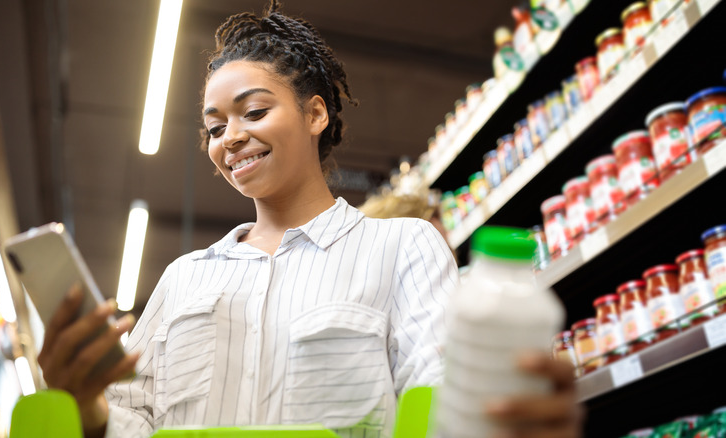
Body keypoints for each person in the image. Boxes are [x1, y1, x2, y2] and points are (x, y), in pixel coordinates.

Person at [37, 2, 582, 437]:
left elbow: (438, 394)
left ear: (315, 113)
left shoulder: (401, 247)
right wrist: (85, 403)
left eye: (254, 112)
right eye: (214, 126)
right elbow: (136, 419)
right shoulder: (184, 279)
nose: (231, 137)